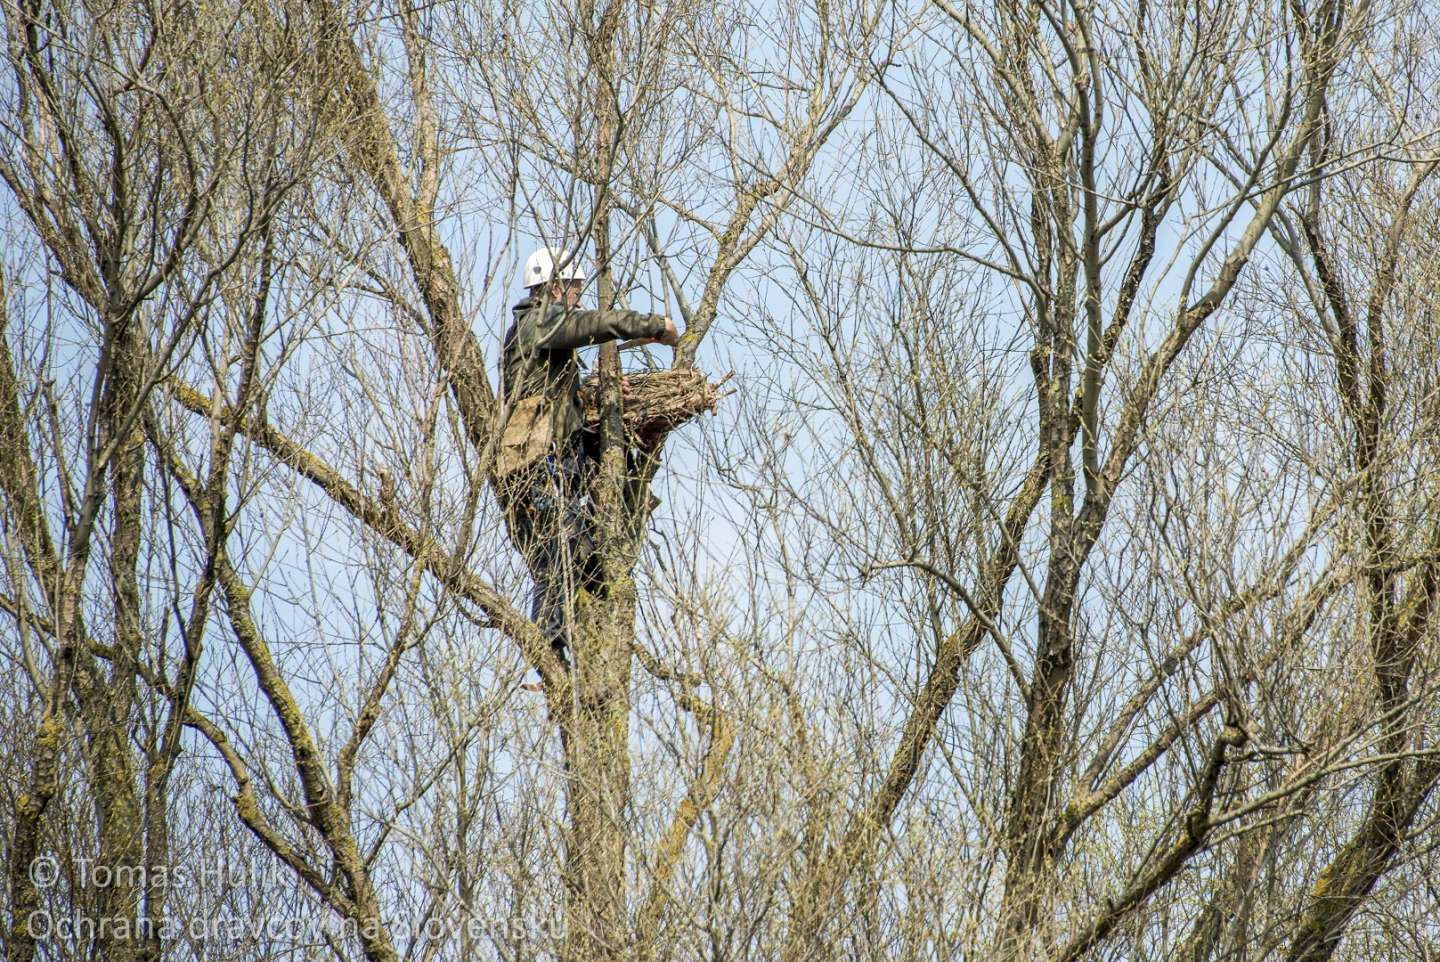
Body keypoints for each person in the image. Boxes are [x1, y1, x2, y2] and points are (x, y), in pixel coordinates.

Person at [497, 246, 678, 671]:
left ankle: (572, 638)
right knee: (561, 548)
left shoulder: (536, 332)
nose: (579, 296)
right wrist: (655, 325)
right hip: (540, 465)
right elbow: (594, 324)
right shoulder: (538, 322)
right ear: (555, 287)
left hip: (558, 457)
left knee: (590, 553)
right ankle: (549, 651)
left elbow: (562, 399)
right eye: (575, 288)